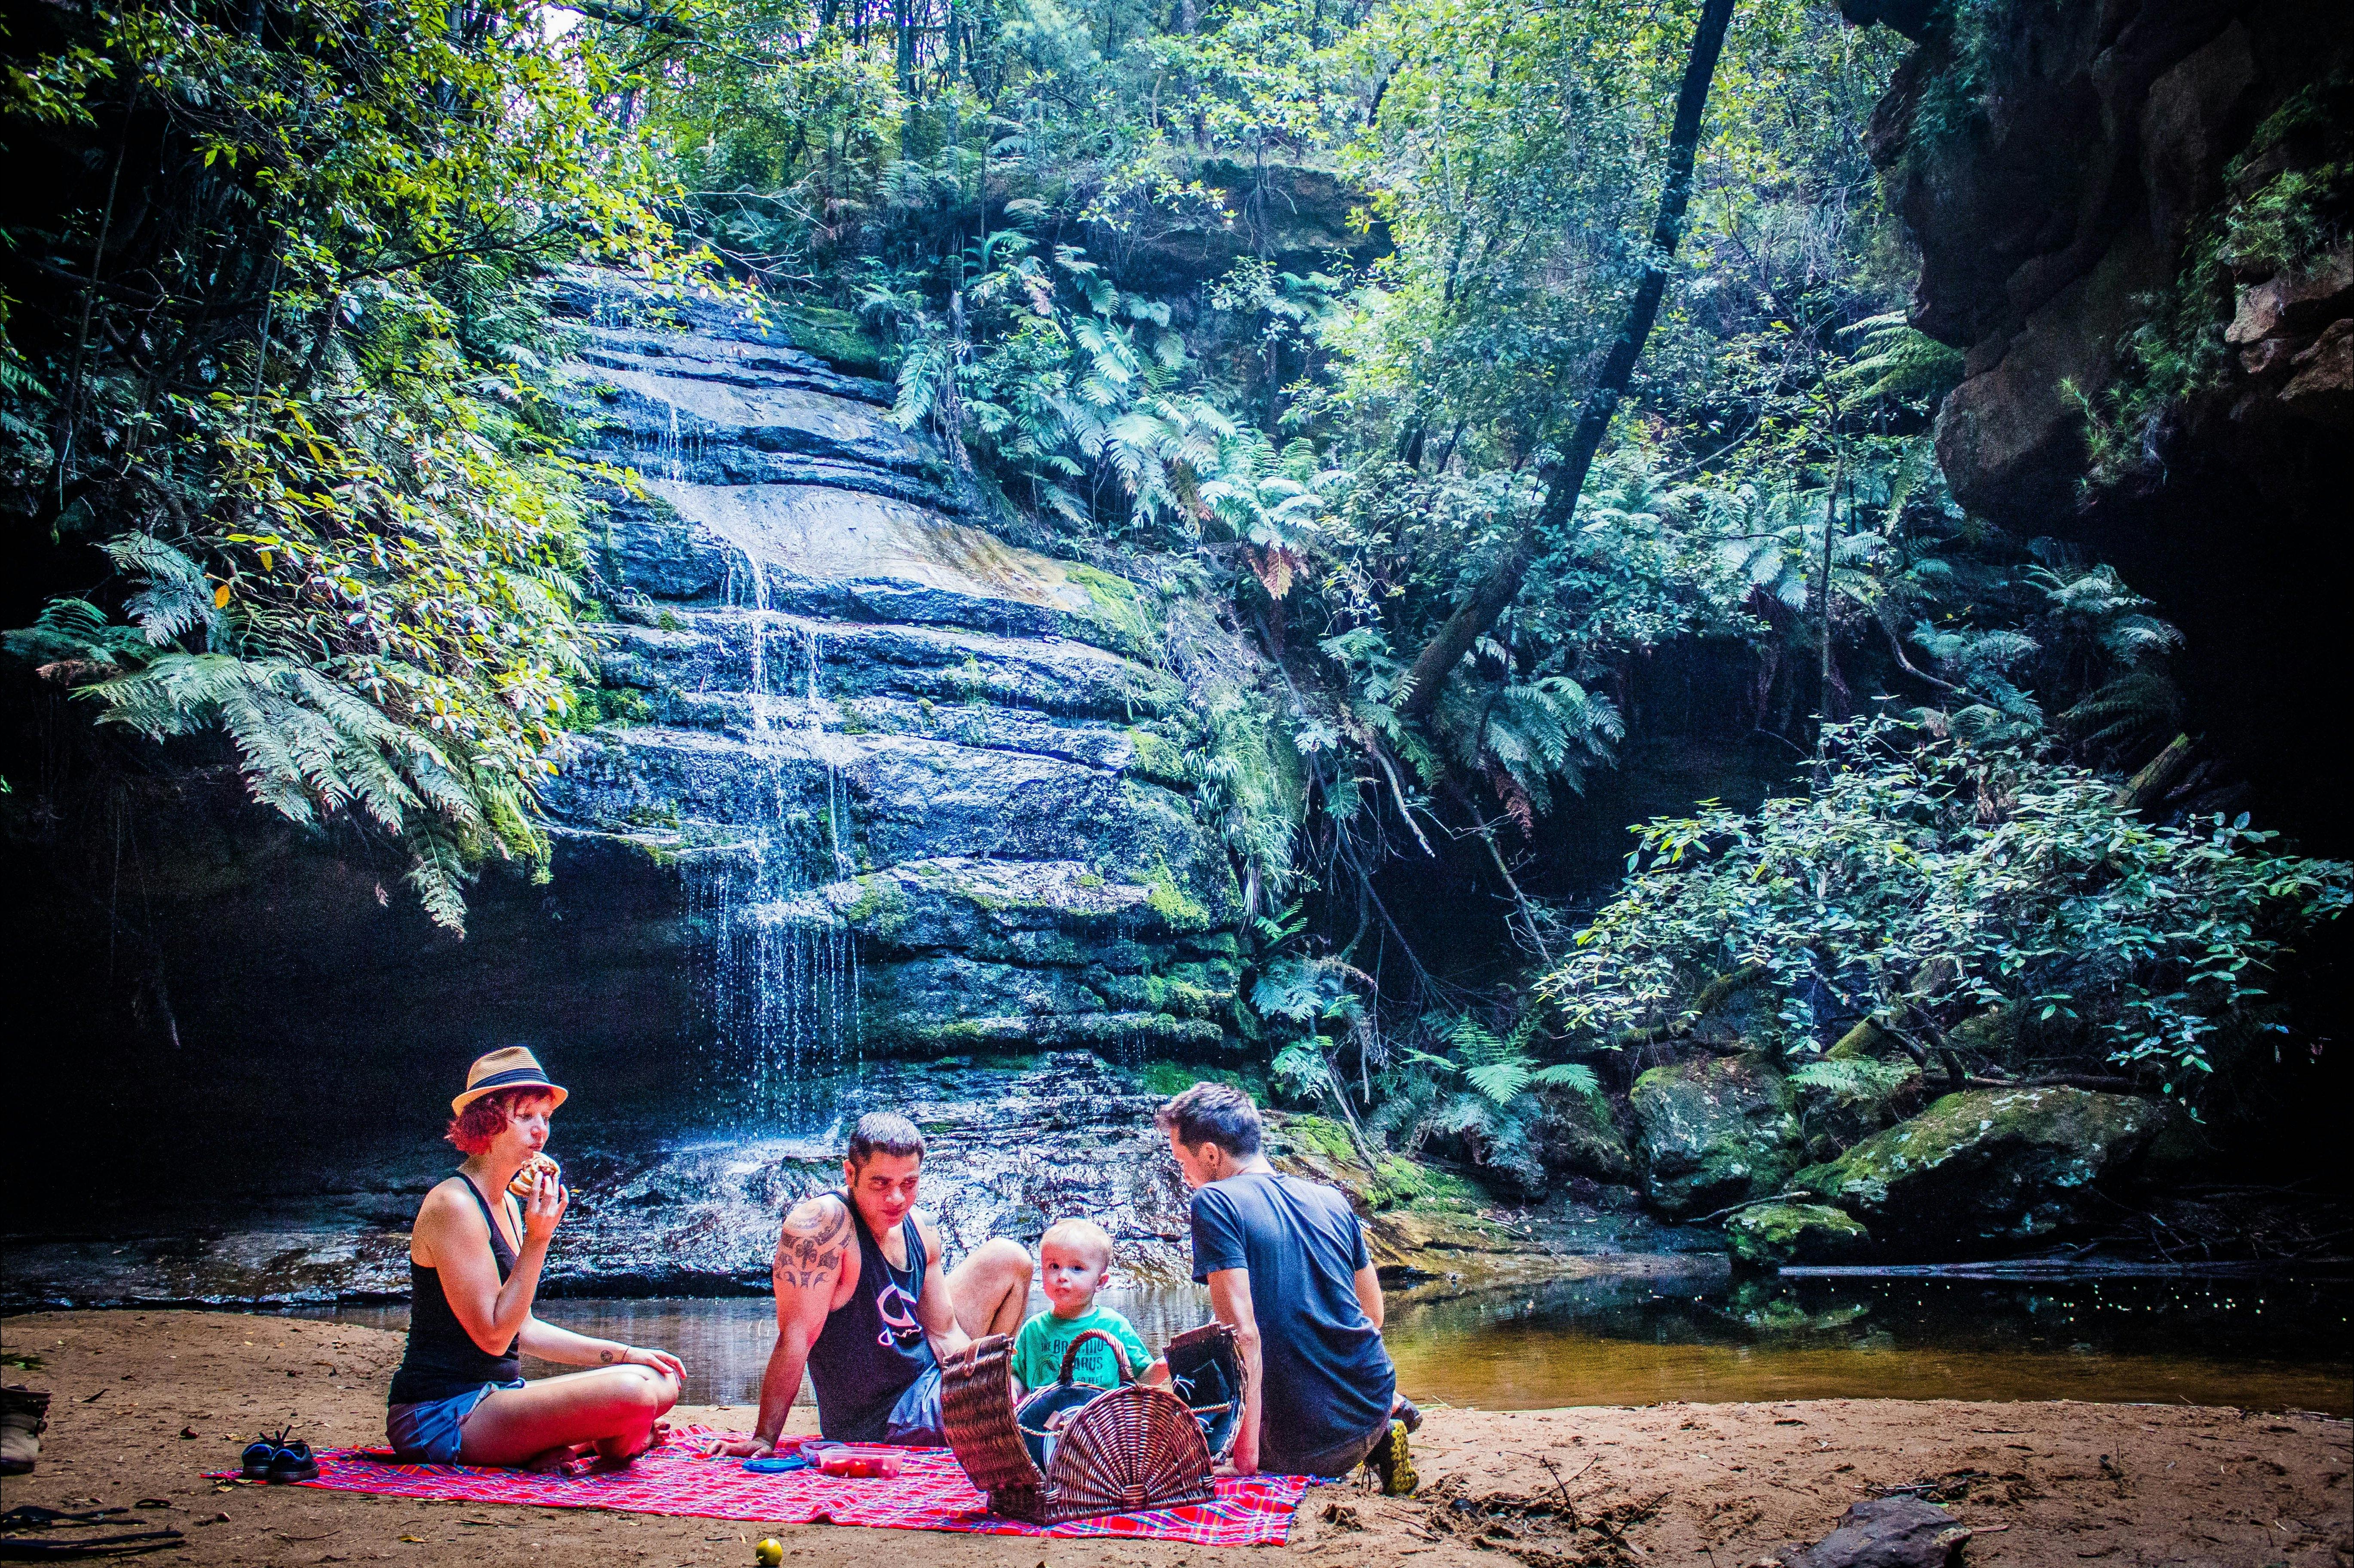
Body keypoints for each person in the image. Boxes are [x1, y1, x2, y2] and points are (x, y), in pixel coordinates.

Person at [387, 1048, 685, 1469]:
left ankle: (596, 1441)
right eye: (526, 1116)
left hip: (503, 1398)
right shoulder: (452, 1205)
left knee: (659, 1378)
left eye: (545, 1118)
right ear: (487, 1119)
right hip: (444, 1413)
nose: (540, 1131)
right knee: (635, 1395)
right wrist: (538, 1239)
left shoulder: (507, 1203)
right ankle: (611, 1441)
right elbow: (493, 1337)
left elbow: (521, 1330)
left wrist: (624, 1352)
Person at [707, 1112, 1033, 1456]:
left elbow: (943, 1332)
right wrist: (764, 1437)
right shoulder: (822, 1228)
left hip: (928, 1379)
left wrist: (986, 1387)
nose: (897, 1199)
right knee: (1029, 1413)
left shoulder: (922, 1226)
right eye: (881, 1184)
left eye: (909, 1184)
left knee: (1010, 1260)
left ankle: (990, 1410)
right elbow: (795, 1338)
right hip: (882, 1416)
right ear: (851, 1174)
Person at [1156, 1082, 1417, 1491]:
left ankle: (1326, 1440)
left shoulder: (1215, 1202)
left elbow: (1243, 1335)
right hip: (1371, 1404)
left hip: (1299, 1446)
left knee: (1198, 1360)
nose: (1184, 1176)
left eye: (1182, 1161)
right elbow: (1374, 1314)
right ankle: (1382, 1431)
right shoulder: (1330, 1199)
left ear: (1210, 1154)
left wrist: (1246, 1462)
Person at [1009, 1219, 1165, 1395]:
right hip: (1044, 1419)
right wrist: (1012, 1390)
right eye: (1054, 1266)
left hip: (1103, 1419)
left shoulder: (1115, 1326)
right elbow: (1018, 1377)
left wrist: (1162, 1367)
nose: (1062, 1276)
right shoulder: (1034, 1330)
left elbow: (1141, 1378)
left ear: (1100, 1282)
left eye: (1077, 1268)